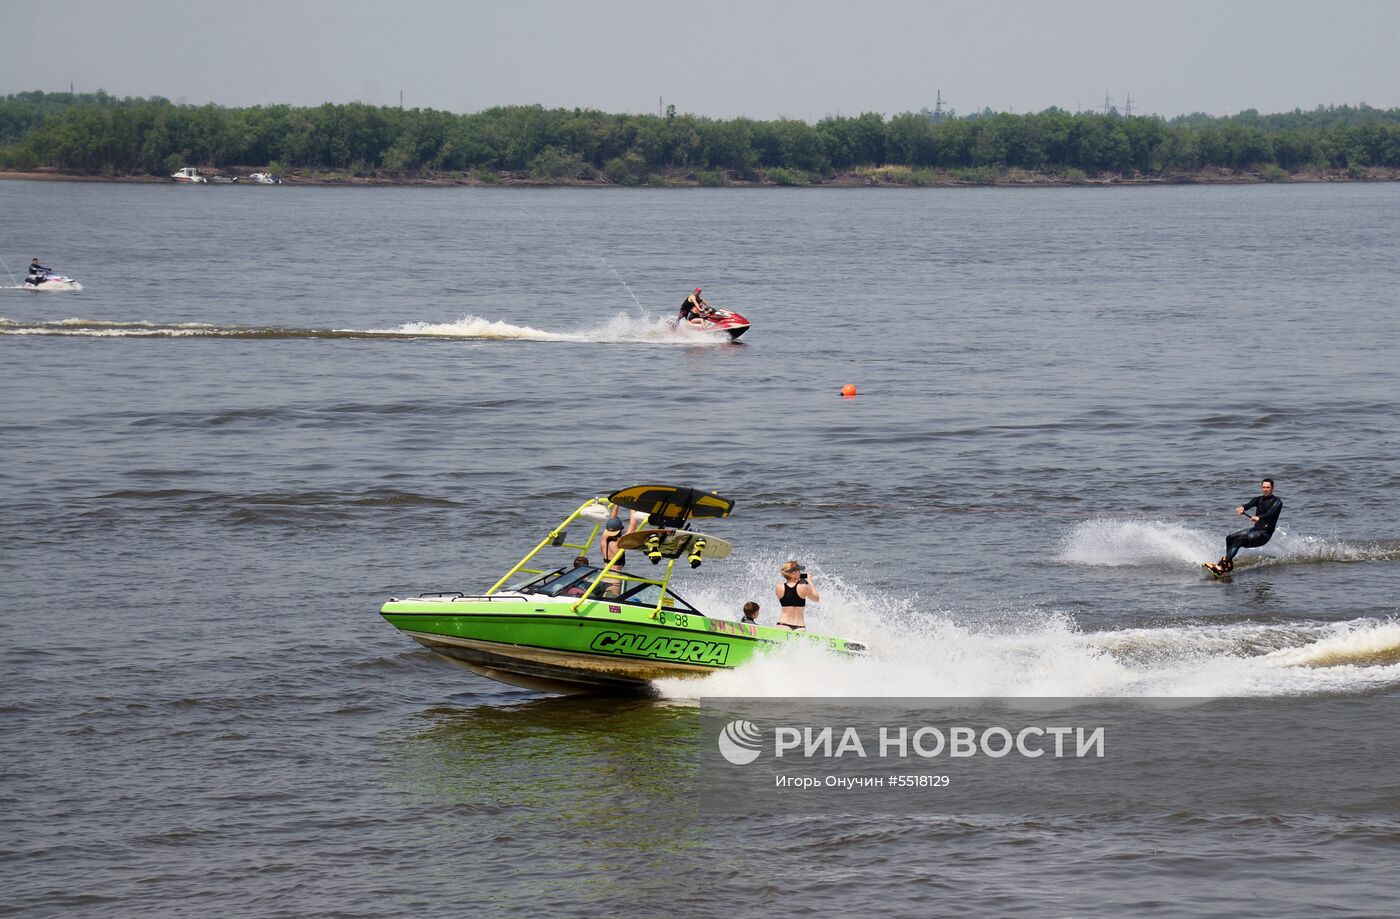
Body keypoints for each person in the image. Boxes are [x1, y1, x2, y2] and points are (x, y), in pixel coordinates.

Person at [1212, 478, 1283, 572]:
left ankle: (1223, 564)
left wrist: (1259, 517)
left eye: (1268, 487)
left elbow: (1270, 513)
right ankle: (1228, 563)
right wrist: (1242, 508)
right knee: (1229, 538)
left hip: (1264, 534)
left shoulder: (1277, 502)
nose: (1265, 489)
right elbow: (1250, 504)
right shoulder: (1258, 499)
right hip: (1255, 530)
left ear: (1272, 488)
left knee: (1240, 540)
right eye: (1263, 487)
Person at [774, 560, 819, 630]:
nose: (800, 573)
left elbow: (790, 594)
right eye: (798, 571)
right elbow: (816, 599)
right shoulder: (804, 587)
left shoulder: (778, 587)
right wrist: (810, 581)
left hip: (782, 624)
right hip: (799, 627)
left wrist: (795, 579)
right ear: (794, 573)